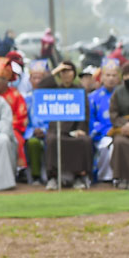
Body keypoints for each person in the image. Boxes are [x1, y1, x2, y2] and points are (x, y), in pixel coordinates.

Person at [39, 62, 93, 190]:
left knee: (84, 141)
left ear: (74, 73)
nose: (66, 74)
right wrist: (55, 71)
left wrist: (81, 129)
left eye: (69, 71)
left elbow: (84, 112)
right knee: (52, 141)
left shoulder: (79, 91)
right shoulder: (54, 89)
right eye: (63, 71)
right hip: (56, 128)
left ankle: (80, 176)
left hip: (74, 128)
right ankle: (53, 177)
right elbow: (40, 87)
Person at [90, 63, 120, 183]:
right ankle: (105, 178)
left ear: (118, 78)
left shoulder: (122, 95)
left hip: (120, 132)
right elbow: (91, 120)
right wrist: (105, 130)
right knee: (108, 145)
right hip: (101, 134)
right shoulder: (92, 97)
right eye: (108, 75)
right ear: (102, 77)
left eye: (114, 75)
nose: (111, 78)